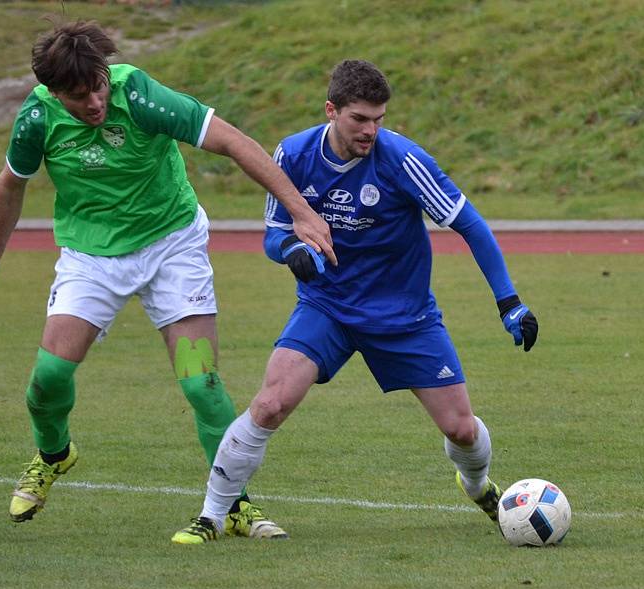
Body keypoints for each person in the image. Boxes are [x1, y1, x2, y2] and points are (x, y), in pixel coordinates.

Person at [0, 19, 335, 538]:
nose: (93, 104)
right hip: (91, 260)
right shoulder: (37, 117)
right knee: (48, 379)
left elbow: (235, 143)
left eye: (98, 88)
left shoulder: (142, 96)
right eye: (77, 96)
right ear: (52, 90)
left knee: (201, 382)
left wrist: (301, 213)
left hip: (173, 249)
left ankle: (236, 504)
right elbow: (11, 185)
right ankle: (53, 454)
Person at [172, 59, 539, 543]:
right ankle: (212, 515)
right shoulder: (293, 155)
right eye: (360, 119)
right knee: (270, 403)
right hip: (328, 308)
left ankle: (476, 485)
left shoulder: (403, 160)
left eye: (379, 119)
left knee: (462, 431)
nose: (371, 130)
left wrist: (508, 301)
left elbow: (469, 224)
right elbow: (273, 236)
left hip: (405, 317)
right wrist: (292, 252)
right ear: (331, 110)